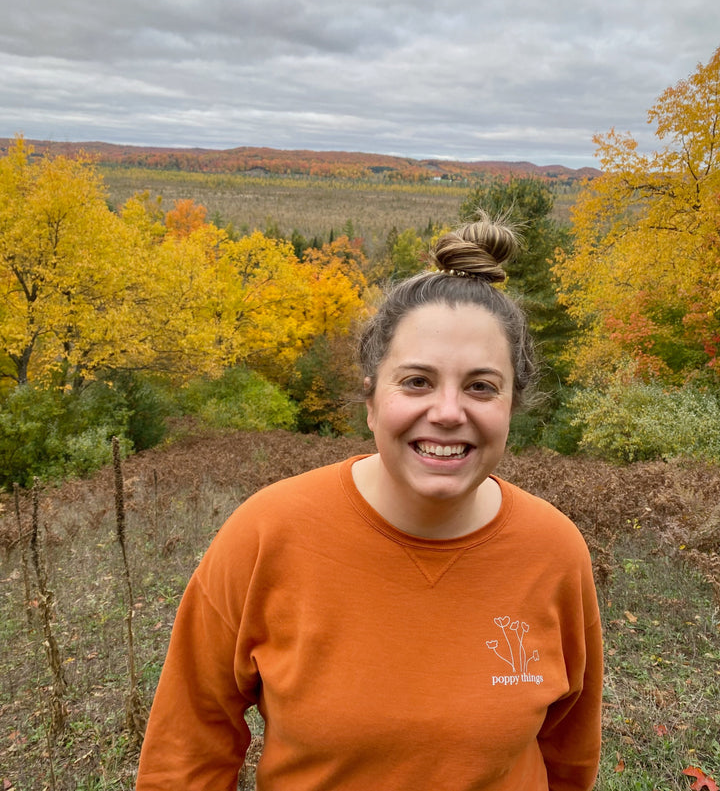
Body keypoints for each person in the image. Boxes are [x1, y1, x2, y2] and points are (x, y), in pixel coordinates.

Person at [136, 212, 603, 791]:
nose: (449, 412)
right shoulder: (266, 534)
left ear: (513, 405)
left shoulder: (554, 551)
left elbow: (570, 756)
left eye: (481, 386)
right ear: (370, 397)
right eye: (416, 381)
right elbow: (187, 754)